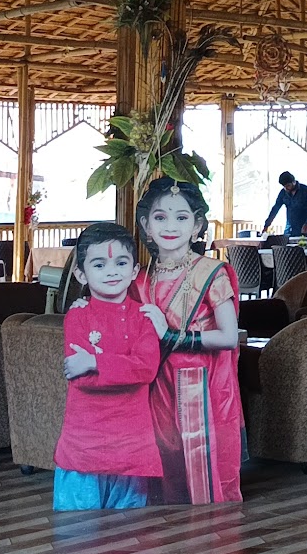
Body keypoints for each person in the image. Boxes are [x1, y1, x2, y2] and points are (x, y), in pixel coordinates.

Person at [133, 177, 244, 506]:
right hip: (156, 382)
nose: (170, 226)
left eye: (181, 217)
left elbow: (228, 336)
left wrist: (171, 336)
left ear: (197, 226)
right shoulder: (141, 277)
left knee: (200, 470)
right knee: (163, 460)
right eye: (160, 217)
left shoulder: (211, 272)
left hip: (199, 385)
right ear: (146, 225)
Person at [53, 221, 162, 512]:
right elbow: (81, 380)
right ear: (81, 274)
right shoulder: (78, 317)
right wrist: (125, 370)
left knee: (129, 531)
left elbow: (147, 369)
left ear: (134, 271)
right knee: (78, 529)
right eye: (99, 265)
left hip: (131, 444)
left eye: (121, 263)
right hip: (84, 442)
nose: (112, 271)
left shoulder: (145, 317)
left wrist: (94, 362)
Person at [261, 170, 307, 237]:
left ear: (293, 182)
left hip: (303, 229)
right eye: (284, 186)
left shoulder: (306, 191)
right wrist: (267, 225)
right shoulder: (283, 193)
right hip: (289, 229)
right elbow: (275, 208)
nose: (286, 188)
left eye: (288, 185)